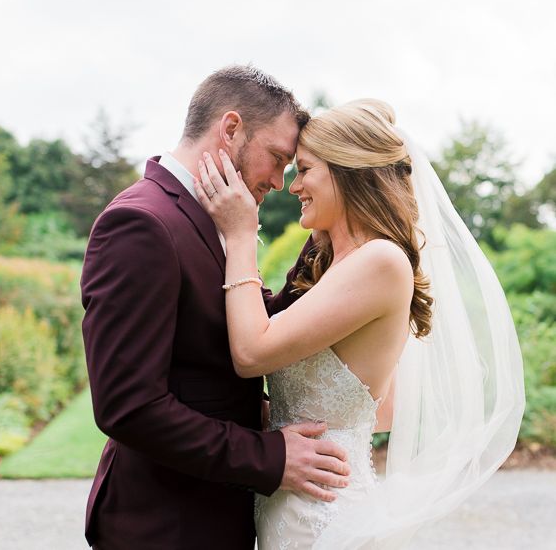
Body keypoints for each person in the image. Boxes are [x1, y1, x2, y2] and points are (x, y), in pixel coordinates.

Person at [195, 99, 525, 548]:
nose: (294, 187)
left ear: (346, 172)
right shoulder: (335, 262)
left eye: (306, 169)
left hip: (326, 520)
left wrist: (239, 236)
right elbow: (380, 407)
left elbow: (252, 353)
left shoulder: (382, 261)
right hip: (293, 508)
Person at [80, 65, 351, 550]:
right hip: (166, 524)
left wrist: (334, 232)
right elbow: (128, 405)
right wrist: (269, 458)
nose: (281, 179)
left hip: (212, 514)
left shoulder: (216, 215)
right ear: (230, 130)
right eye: (277, 157)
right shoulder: (141, 224)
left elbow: (234, 325)